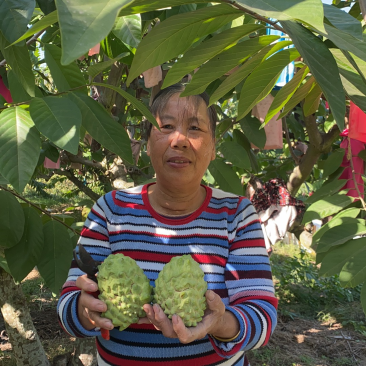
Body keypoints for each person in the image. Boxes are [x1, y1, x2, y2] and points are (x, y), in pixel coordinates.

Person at [57, 84, 278, 366]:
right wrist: (84, 310)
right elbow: (67, 309)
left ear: (213, 148)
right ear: (148, 143)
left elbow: (262, 318)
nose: (180, 139)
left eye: (195, 128)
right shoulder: (110, 210)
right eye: (167, 126)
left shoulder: (236, 215)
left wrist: (220, 323)